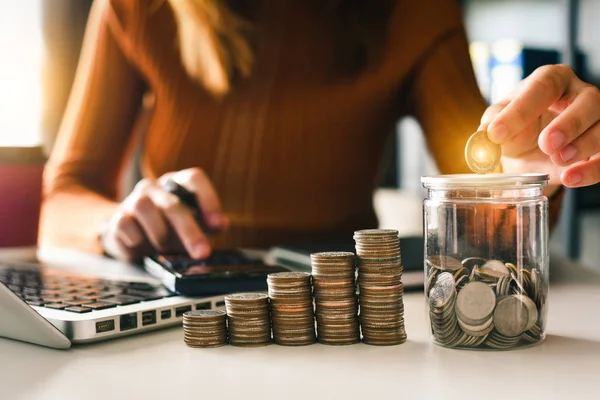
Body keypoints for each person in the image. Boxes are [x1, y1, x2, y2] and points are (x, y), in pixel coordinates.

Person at [40, 0, 600, 263]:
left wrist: (525, 175)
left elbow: (490, 185)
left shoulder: (415, 13)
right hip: (161, 310)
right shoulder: (135, 7)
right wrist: (114, 225)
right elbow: (63, 196)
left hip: (345, 325)